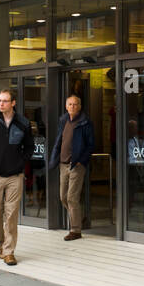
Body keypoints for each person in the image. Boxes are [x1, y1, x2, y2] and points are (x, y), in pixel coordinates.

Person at [0, 90, 32, 265]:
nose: (1, 104)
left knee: (11, 215)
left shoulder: (23, 123)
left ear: (13, 103)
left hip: (14, 177)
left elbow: (29, 147)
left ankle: (9, 251)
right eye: (0, 100)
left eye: (5, 101)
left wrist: (20, 163)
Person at [48, 94, 94, 240]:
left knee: (72, 198)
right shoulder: (63, 120)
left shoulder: (85, 122)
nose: (72, 107)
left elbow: (90, 144)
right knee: (63, 197)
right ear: (66, 106)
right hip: (63, 164)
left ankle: (75, 230)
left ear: (79, 107)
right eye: (70, 104)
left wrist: (81, 161)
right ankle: (78, 218)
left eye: (75, 104)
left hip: (76, 165)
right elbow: (59, 140)